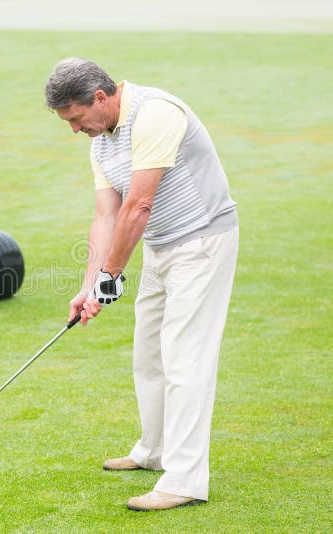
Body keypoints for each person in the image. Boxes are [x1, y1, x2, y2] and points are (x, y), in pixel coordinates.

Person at [45, 58, 239, 511]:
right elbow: (106, 216)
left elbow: (138, 206)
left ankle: (185, 479)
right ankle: (154, 451)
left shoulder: (155, 113)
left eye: (75, 118)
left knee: (185, 358)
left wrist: (109, 279)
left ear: (99, 97)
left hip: (202, 241)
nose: (75, 130)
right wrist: (89, 283)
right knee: (148, 352)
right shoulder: (100, 143)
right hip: (160, 247)